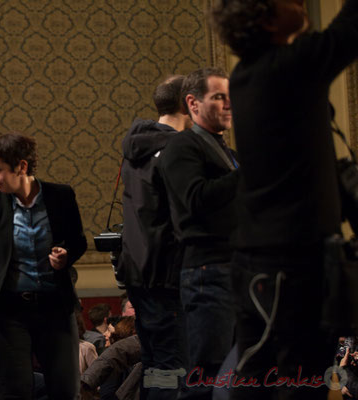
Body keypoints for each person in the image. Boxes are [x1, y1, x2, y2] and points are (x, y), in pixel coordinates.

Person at [211, 1, 358, 399]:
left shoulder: (254, 73)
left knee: (271, 376)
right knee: (292, 380)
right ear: (266, 18)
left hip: (274, 259)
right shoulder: (286, 68)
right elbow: (350, 28)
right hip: (285, 264)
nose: (298, 4)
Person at [0, 133, 87, 399]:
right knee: (16, 390)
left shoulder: (61, 196)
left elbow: (78, 241)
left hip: (55, 307)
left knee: (66, 390)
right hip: (10, 312)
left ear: (21, 167)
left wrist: (66, 255)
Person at [159, 67, 237, 400]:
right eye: (219, 97)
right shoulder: (182, 147)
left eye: (230, 97)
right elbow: (196, 200)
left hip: (239, 271)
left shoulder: (228, 154)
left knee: (238, 377)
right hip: (208, 273)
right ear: (192, 103)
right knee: (205, 380)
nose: (228, 104)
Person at [118, 75, 191, 399]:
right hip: (167, 275)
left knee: (155, 366)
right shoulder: (176, 150)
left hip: (138, 272)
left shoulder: (138, 146)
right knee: (173, 369)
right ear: (188, 102)